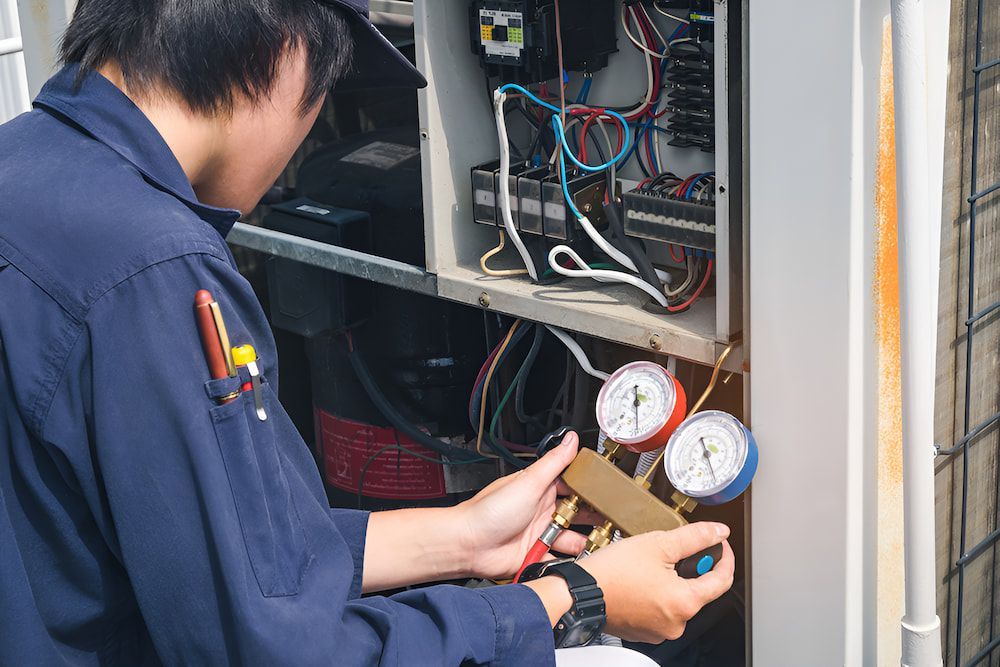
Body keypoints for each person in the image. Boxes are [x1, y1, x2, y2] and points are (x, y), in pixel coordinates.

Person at [0, 1, 735, 664]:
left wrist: (463, 535)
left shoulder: (22, 165)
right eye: (323, 88)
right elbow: (277, 646)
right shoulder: (156, 271)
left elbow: (217, 557)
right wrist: (572, 597)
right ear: (284, 50)